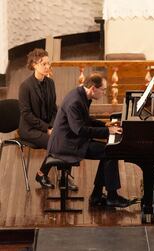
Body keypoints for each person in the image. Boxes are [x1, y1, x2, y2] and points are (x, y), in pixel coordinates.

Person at [47, 72, 135, 208]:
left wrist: (105, 124)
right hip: (67, 145)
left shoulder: (82, 95)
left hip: (72, 139)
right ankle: (111, 197)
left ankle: (97, 196)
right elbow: (80, 130)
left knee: (107, 151)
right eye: (103, 90)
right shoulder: (75, 101)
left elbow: (86, 120)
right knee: (110, 152)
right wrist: (107, 132)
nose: (104, 93)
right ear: (93, 88)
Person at [18, 48, 77, 190]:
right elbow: (26, 114)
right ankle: (42, 173)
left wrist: (57, 126)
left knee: (67, 137)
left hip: (48, 126)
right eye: (43, 64)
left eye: (48, 63)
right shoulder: (25, 86)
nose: (47, 67)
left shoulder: (50, 83)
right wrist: (48, 129)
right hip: (30, 129)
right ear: (34, 65)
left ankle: (63, 177)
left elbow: (53, 109)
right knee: (57, 142)